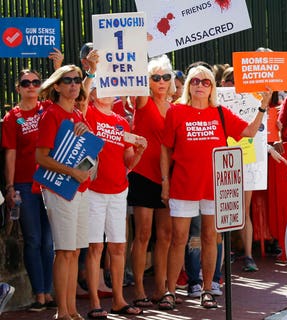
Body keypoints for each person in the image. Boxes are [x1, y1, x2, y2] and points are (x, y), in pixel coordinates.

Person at [160, 65, 271, 310]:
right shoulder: (176, 112)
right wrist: (165, 182)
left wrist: (263, 106)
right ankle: (170, 291)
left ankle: (208, 289)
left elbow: (250, 132)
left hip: (214, 186)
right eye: (195, 81)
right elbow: (166, 148)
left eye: (205, 81)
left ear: (212, 87)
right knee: (179, 238)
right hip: (183, 185)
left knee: (211, 237)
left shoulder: (220, 113)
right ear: (188, 85)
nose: (199, 85)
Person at [83, 84, 147, 318]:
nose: (108, 90)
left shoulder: (122, 121)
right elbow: (80, 96)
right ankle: (94, 301)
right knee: (95, 247)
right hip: (93, 190)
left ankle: (119, 299)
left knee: (118, 246)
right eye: (102, 86)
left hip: (119, 191)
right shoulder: (88, 113)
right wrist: (90, 74)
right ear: (93, 92)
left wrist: (139, 151)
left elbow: (128, 161)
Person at [36, 64, 94, 320]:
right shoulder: (51, 114)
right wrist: (73, 173)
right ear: (57, 86)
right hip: (59, 190)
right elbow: (41, 157)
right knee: (64, 251)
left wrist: (90, 136)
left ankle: (71, 310)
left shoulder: (79, 116)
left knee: (75, 251)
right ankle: (62, 312)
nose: (73, 84)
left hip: (81, 190)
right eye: (68, 80)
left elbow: (90, 155)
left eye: (77, 80)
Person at [2, 69, 57, 312]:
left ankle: (49, 290)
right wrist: (10, 187)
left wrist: (59, 66)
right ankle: (40, 294)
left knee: (49, 242)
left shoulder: (46, 108)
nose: (31, 86)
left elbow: (67, 89)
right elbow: (10, 154)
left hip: (51, 182)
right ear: (18, 88)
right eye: (26, 83)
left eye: (36, 82)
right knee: (33, 239)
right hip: (25, 184)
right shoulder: (12, 118)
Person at [128, 54, 176, 308]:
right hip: (143, 174)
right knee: (143, 234)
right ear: (147, 81)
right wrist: (141, 45)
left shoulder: (176, 108)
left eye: (165, 77)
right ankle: (137, 288)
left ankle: (161, 288)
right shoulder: (142, 102)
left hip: (168, 177)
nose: (161, 81)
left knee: (165, 235)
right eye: (155, 77)